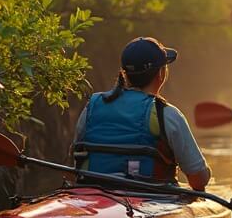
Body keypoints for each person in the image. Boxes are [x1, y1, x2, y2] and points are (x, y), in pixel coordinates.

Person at [72, 37, 211, 191]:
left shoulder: (92, 106)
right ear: (161, 73)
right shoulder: (166, 114)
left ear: (124, 73)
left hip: (90, 199)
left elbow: (73, 165)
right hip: (149, 201)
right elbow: (199, 180)